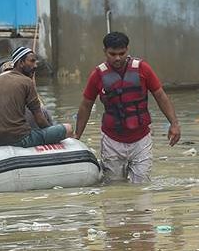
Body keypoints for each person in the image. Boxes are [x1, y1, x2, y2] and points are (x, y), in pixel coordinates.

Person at [74, 32, 180, 184]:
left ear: (127, 50)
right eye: (113, 54)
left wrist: (174, 124)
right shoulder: (98, 75)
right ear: (105, 52)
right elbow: (86, 105)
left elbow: (160, 96)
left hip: (141, 140)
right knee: (114, 187)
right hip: (112, 141)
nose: (117, 58)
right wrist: (78, 135)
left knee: (142, 186)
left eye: (122, 53)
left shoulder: (142, 69)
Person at [0, 46, 72, 148]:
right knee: (68, 128)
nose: (35, 65)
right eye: (32, 61)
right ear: (20, 63)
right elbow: (40, 120)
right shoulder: (27, 82)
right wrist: (51, 133)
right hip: (20, 139)